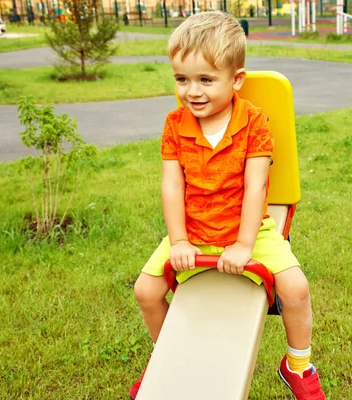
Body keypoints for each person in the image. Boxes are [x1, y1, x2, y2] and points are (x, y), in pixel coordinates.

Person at [129, 10, 325, 400]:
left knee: (297, 288)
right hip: (195, 228)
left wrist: (244, 245)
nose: (192, 91)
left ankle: (297, 363)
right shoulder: (175, 124)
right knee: (145, 291)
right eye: (182, 79)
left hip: (246, 227)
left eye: (205, 79)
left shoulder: (254, 122)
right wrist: (180, 240)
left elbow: (256, 187)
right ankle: (166, 358)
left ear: (236, 79)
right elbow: (171, 186)